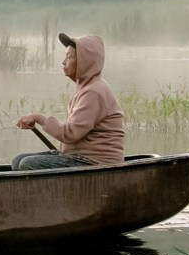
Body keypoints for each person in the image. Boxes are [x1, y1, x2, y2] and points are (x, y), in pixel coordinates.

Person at [13, 32, 125, 169]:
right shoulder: (87, 89)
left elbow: (69, 134)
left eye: (69, 57)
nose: (63, 62)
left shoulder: (93, 92)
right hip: (77, 156)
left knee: (28, 164)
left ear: (85, 61)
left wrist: (39, 118)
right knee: (18, 161)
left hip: (96, 162)